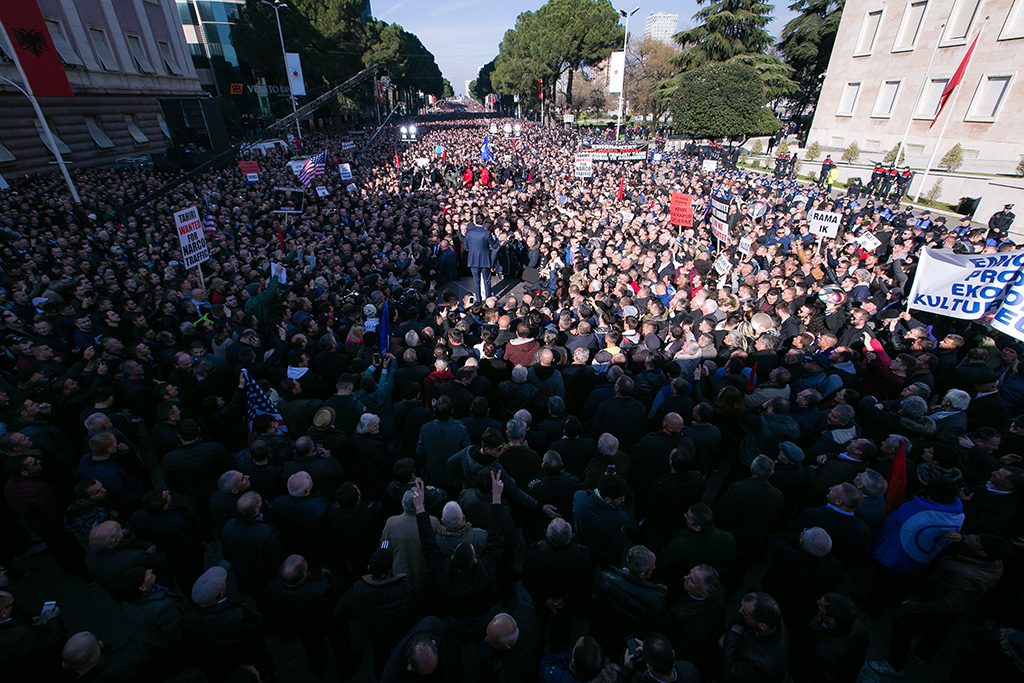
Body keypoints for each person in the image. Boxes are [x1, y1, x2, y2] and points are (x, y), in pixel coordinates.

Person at [465, 221, 497, 300]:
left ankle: (478, 301)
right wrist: (498, 240)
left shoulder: (469, 232)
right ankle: (488, 299)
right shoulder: (486, 233)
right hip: (484, 260)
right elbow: (494, 245)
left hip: (473, 260)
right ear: (483, 222)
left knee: (476, 282)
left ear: (475, 222)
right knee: (487, 281)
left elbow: (465, 247)